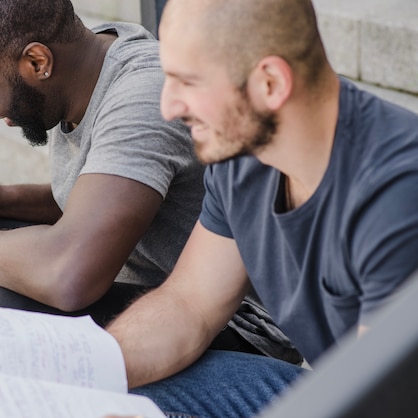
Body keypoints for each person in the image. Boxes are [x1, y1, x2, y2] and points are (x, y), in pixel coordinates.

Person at [0, 0, 300, 417]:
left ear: (37, 63)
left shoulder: (143, 96)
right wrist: (0, 198)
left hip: (231, 325)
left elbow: (71, 275)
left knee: (18, 315)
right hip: (152, 295)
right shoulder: (78, 75)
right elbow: (101, 198)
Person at [105, 0, 418, 416]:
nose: (169, 107)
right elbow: (189, 307)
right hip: (339, 387)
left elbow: (381, 401)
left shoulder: (396, 196)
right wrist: (79, 371)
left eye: (188, 82)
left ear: (270, 83)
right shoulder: (241, 159)